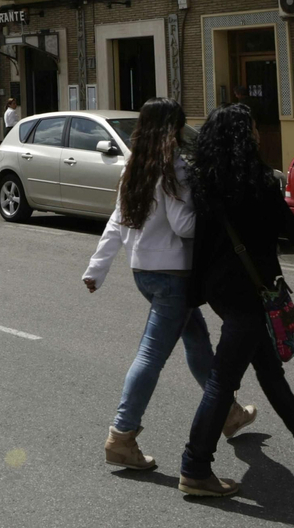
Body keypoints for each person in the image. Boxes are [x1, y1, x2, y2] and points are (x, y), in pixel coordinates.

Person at [177, 104, 294, 499]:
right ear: (245, 137)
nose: (259, 135)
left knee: (268, 368)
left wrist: (195, 292)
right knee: (221, 382)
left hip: (221, 291)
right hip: (250, 291)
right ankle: (195, 467)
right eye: (253, 129)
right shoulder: (260, 183)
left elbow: (200, 245)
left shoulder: (205, 181)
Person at [83, 98, 255, 472]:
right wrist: (220, 222)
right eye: (179, 127)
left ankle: (229, 413)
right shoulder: (173, 167)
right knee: (151, 355)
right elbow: (183, 226)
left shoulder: (135, 165)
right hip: (173, 276)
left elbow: (118, 220)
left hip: (144, 272)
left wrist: (96, 269)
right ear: (172, 129)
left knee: (195, 338)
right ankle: (122, 435)